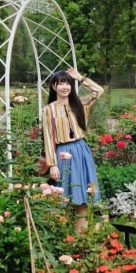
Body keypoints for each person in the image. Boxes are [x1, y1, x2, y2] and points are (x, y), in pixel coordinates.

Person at [42, 68, 104, 233]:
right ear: (54, 86)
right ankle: (62, 236)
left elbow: (98, 92)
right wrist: (52, 164)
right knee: (63, 196)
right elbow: (48, 137)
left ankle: (79, 238)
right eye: (61, 83)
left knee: (82, 195)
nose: (65, 87)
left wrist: (80, 78)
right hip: (62, 154)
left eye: (68, 83)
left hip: (81, 151)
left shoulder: (81, 104)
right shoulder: (49, 109)